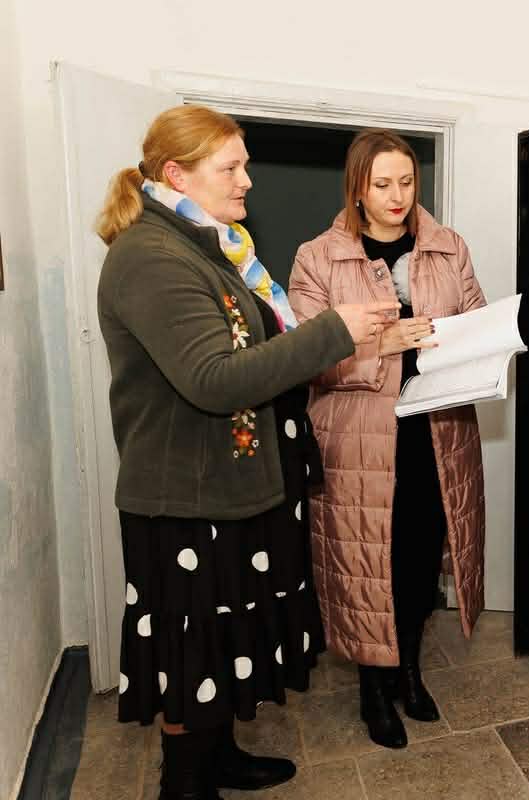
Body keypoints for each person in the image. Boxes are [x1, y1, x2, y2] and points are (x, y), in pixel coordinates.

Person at [95, 105, 398, 799]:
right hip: (185, 497)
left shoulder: (211, 247)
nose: (247, 181)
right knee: (190, 645)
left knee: (223, 639)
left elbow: (252, 350)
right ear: (177, 174)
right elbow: (214, 379)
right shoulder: (150, 256)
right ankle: (186, 783)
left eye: (245, 165)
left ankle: (218, 756)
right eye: (230, 167)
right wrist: (333, 331)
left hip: (228, 485)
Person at [288, 129, 486, 749]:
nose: (397, 196)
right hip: (359, 441)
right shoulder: (317, 258)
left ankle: (409, 671)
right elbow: (305, 358)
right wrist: (383, 345)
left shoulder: (448, 247)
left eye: (406, 181)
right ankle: (373, 687)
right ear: (357, 188)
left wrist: (477, 343)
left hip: (437, 434)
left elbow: (474, 318)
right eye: (381, 184)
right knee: (369, 565)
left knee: (422, 557)